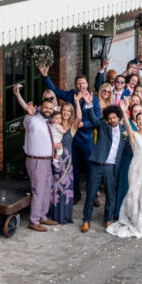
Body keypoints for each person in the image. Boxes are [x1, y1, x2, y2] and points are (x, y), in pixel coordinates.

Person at [39, 68, 93, 207]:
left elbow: (95, 119)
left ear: (87, 84)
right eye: (79, 84)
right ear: (76, 86)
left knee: (88, 168)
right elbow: (55, 91)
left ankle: (93, 194)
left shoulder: (94, 100)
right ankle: (75, 194)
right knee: (72, 167)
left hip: (85, 138)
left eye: (83, 83)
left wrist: (83, 124)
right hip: (69, 139)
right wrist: (45, 76)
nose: (81, 86)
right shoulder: (70, 95)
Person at [107, 108, 142, 239]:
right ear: (136, 122)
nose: (141, 121)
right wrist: (124, 112)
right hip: (135, 168)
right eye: (139, 119)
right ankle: (135, 222)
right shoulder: (133, 135)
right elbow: (127, 125)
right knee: (134, 192)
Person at [12, 85, 58, 232]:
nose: (48, 111)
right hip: (36, 160)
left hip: (46, 160)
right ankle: (34, 220)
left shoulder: (47, 122)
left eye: (51, 109)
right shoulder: (32, 121)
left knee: (46, 189)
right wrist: (30, 114)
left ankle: (43, 216)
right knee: (38, 190)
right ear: (40, 107)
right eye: (46, 108)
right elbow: (28, 124)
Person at [80, 101, 129, 232]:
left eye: (114, 117)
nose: (112, 120)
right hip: (97, 165)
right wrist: (90, 105)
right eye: (110, 118)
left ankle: (108, 220)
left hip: (111, 168)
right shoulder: (103, 126)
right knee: (90, 194)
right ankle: (86, 220)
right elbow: (93, 120)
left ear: (119, 118)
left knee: (110, 196)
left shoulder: (125, 133)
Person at [48, 101, 81, 225]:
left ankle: (63, 215)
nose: (66, 113)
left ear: (71, 113)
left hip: (66, 161)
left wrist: (77, 102)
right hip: (54, 158)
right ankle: (51, 214)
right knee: (53, 186)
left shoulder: (72, 126)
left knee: (64, 188)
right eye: (64, 110)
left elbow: (80, 117)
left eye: (69, 111)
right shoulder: (55, 123)